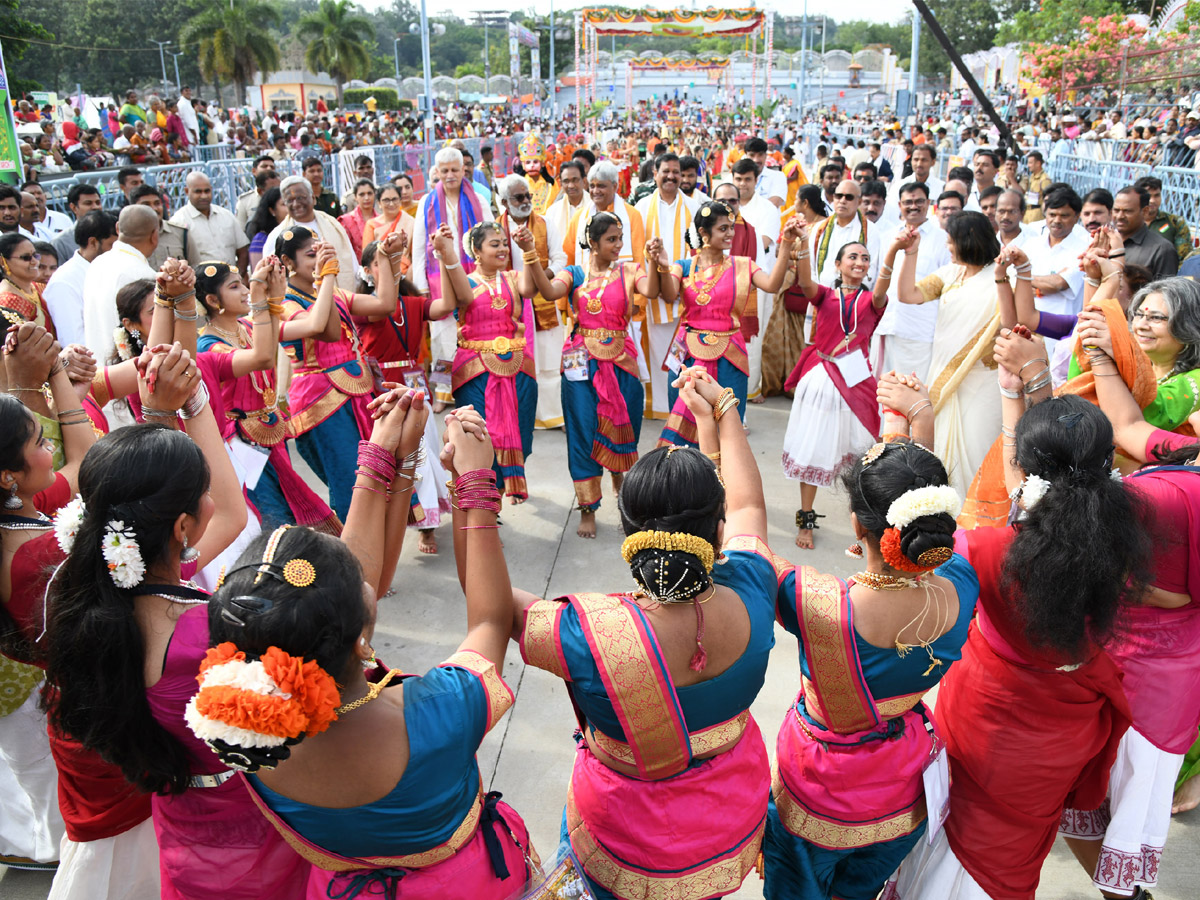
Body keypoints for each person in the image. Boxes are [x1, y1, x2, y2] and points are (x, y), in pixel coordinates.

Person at [196, 400, 537, 900]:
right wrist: (475, 483)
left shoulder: (238, 723)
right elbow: (490, 618)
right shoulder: (439, 709)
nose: (368, 582)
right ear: (360, 634)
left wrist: (382, 459)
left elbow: (336, 603)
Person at [42, 337, 312, 898]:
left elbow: (226, 509)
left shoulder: (88, 592)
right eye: (200, 497)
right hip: (230, 840)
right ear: (184, 530)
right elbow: (235, 510)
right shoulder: (198, 632)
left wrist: (178, 409)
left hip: (159, 825)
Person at [886, 347, 1154, 900]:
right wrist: (1015, 393)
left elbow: (918, 545)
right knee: (1015, 857)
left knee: (956, 847)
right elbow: (1043, 497)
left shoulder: (988, 549)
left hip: (986, 726)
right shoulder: (1121, 536)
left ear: (1030, 475)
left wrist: (918, 425)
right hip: (1061, 739)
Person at [515, 369, 785, 900]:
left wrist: (471, 486)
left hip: (624, 848)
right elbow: (749, 508)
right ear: (717, 529)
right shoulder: (754, 586)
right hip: (723, 832)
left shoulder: (589, 635)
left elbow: (492, 612)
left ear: (630, 536)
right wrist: (723, 409)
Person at [766, 437, 978, 900]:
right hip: (902, 792)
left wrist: (719, 419)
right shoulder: (961, 585)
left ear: (857, 526)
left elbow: (747, 550)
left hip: (819, 795)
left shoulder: (820, 606)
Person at [1063, 308, 1200, 897]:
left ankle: (1124, 889)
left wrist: (1155, 588)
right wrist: (1098, 353)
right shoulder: (1182, 458)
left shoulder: (1177, 483)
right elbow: (1124, 423)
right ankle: (1123, 886)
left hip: (1153, 673)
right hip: (1129, 657)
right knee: (1104, 792)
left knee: (1127, 789)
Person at [520, 213, 665, 537]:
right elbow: (547, 290)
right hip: (581, 365)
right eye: (611, 239)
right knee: (583, 431)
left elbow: (652, 292)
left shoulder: (631, 271)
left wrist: (655, 262)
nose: (618, 245)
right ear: (594, 242)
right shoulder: (576, 273)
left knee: (624, 427)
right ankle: (588, 507)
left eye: (620, 238)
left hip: (622, 363)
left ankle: (621, 482)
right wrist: (531, 254)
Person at [195, 257, 338, 536]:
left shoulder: (248, 328)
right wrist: (263, 299)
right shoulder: (208, 345)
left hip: (270, 434)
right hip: (241, 445)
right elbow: (261, 358)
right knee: (270, 516)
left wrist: (275, 295)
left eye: (244, 284)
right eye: (235, 287)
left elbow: (301, 330)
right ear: (213, 300)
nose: (246, 291)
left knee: (290, 510)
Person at [886, 212, 1021, 495]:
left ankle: (971, 523)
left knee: (976, 452)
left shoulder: (1002, 276)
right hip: (945, 377)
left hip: (983, 383)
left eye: (951, 242)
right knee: (941, 453)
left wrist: (1000, 280)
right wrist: (910, 254)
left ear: (968, 241)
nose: (948, 247)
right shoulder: (950, 274)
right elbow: (908, 295)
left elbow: (1010, 325)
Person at [658, 202, 801, 447]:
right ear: (704, 233)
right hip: (687, 354)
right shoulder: (682, 267)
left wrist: (786, 244)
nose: (731, 234)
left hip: (729, 356)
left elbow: (771, 285)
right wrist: (660, 265)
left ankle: (723, 483)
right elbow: (669, 295)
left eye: (731, 228)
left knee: (727, 424)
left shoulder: (742, 265)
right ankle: (686, 480)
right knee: (684, 425)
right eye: (723, 229)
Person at [277, 227, 396, 521]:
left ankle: (376, 550)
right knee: (349, 480)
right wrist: (325, 277)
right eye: (310, 254)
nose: (319, 257)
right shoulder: (285, 303)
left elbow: (385, 305)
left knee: (376, 471)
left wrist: (387, 257)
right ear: (287, 262)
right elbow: (325, 330)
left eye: (320, 250)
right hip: (320, 401)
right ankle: (357, 554)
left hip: (356, 394)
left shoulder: (334, 291)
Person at [352, 239, 452, 559]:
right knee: (388, 458)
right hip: (381, 391)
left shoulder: (412, 302)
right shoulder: (363, 305)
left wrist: (445, 259)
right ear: (368, 271)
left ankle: (427, 524)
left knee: (424, 453)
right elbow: (382, 305)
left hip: (416, 386)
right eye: (383, 260)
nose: (393, 264)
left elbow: (444, 307)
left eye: (398, 259)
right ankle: (385, 521)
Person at [431, 221, 536, 501]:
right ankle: (488, 498)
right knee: (480, 435)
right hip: (475, 371)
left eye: (504, 243)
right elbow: (460, 299)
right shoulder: (463, 281)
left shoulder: (514, 278)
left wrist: (528, 250)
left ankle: (503, 487)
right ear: (476, 251)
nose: (502, 248)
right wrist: (446, 254)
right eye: (494, 244)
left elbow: (530, 290)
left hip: (518, 369)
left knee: (521, 436)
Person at [410, 148, 493, 408]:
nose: (449, 175)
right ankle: (445, 393)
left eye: (454, 170)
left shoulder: (478, 199)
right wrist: (422, 287)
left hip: (473, 278)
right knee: (442, 337)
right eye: (444, 170)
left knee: (476, 333)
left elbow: (490, 235)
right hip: (439, 283)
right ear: (436, 172)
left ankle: (479, 384)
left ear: (463, 170)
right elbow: (419, 247)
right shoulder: (427, 202)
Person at [497, 174, 567, 431]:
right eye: (519, 197)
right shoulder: (495, 229)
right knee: (517, 361)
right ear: (505, 202)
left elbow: (560, 260)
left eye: (528, 195)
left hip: (543, 298)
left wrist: (540, 279)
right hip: (512, 304)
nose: (526, 201)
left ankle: (553, 417)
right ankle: (523, 417)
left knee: (549, 360)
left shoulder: (546, 224)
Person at [874, 182, 952, 384]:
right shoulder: (886, 237)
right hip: (885, 326)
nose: (913, 206)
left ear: (928, 203)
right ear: (900, 205)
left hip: (919, 333)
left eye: (919, 201)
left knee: (912, 393)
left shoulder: (943, 240)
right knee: (882, 394)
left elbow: (947, 289)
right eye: (908, 202)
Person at [82, 205, 161, 360]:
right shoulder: (141, 274)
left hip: (99, 368)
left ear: (117, 228)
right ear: (154, 236)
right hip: (130, 368)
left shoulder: (98, 262)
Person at [265, 177, 357, 293]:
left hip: (340, 295)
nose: (296, 204)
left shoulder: (333, 225)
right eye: (289, 200)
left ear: (313, 198)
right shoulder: (278, 235)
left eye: (300, 198)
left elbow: (351, 263)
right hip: (300, 303)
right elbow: (273, 276)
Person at [42, 210, 119, 347]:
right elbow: (73, 341)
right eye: (112, 245)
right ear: (93, 242)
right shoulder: (64, 282)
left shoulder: (108, 268)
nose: (117, 251)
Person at [810, 180, 881, 288]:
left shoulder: (870, 231)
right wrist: (819, 296)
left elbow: (871, 270)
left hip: (855, 298)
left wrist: (849, 297)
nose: (842, 201)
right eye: (838, 196)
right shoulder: (819, 228)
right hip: (822, 297)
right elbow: (811, 267)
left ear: (859, 201)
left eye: (849, 197)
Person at [1112, 186, 1178, 280]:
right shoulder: (1104, 241)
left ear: (1145, 211)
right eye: (1116, 210)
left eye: (1127, 211)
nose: (1120, 216)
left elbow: (1164, 292)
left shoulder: (1161, 250)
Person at [0, 233, 54, 334]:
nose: (35, 262)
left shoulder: (39, 287)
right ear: (3, 262)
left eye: (35, 256)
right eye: (26, 257)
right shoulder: (7, 301)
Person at [361, 183, 414, 270]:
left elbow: (416, 255)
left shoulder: (410, 222)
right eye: (386, 200)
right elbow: (367, 256)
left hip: (405, 274)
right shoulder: (371, 225)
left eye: (395, 199)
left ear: (400, 200)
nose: (391, 204)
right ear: (379, 203)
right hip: (379, 273)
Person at [245, 187, 285, 270]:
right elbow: (258, 273)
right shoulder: (261, 239)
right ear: (272, 210)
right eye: (284, 204)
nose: (291, 206)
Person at [338, 178, 376, 261]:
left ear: (374, 194)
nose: (366, 198)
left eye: (369, 193)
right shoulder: (346, 221)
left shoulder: (381, 219)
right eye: (362, 194)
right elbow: (344, 252)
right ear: (355, 197)